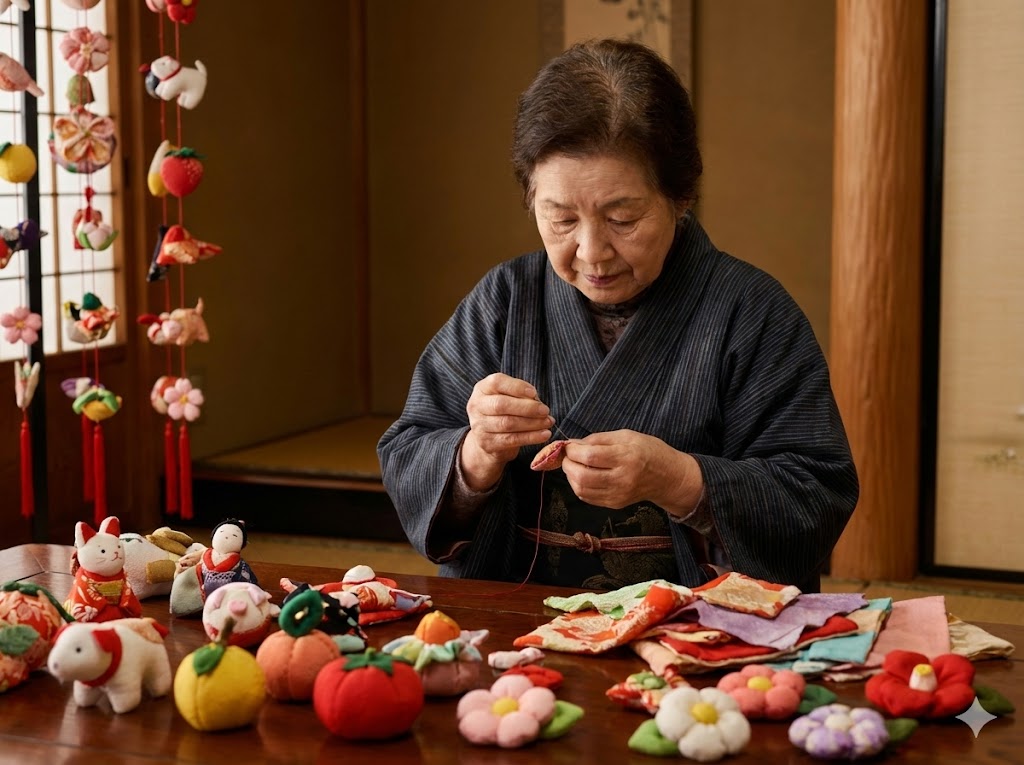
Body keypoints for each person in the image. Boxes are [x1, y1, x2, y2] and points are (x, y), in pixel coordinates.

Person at [377, 38, 858, 593]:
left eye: (622, 218)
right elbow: (409, 446)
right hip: (520, 617)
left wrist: (680, 480)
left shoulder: (753, 313)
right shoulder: (504, 301)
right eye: (560, 218)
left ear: (682, 197)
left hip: (693, 630)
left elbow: (816, 493)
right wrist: (475, 453)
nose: (591, 251)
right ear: (531, 198)